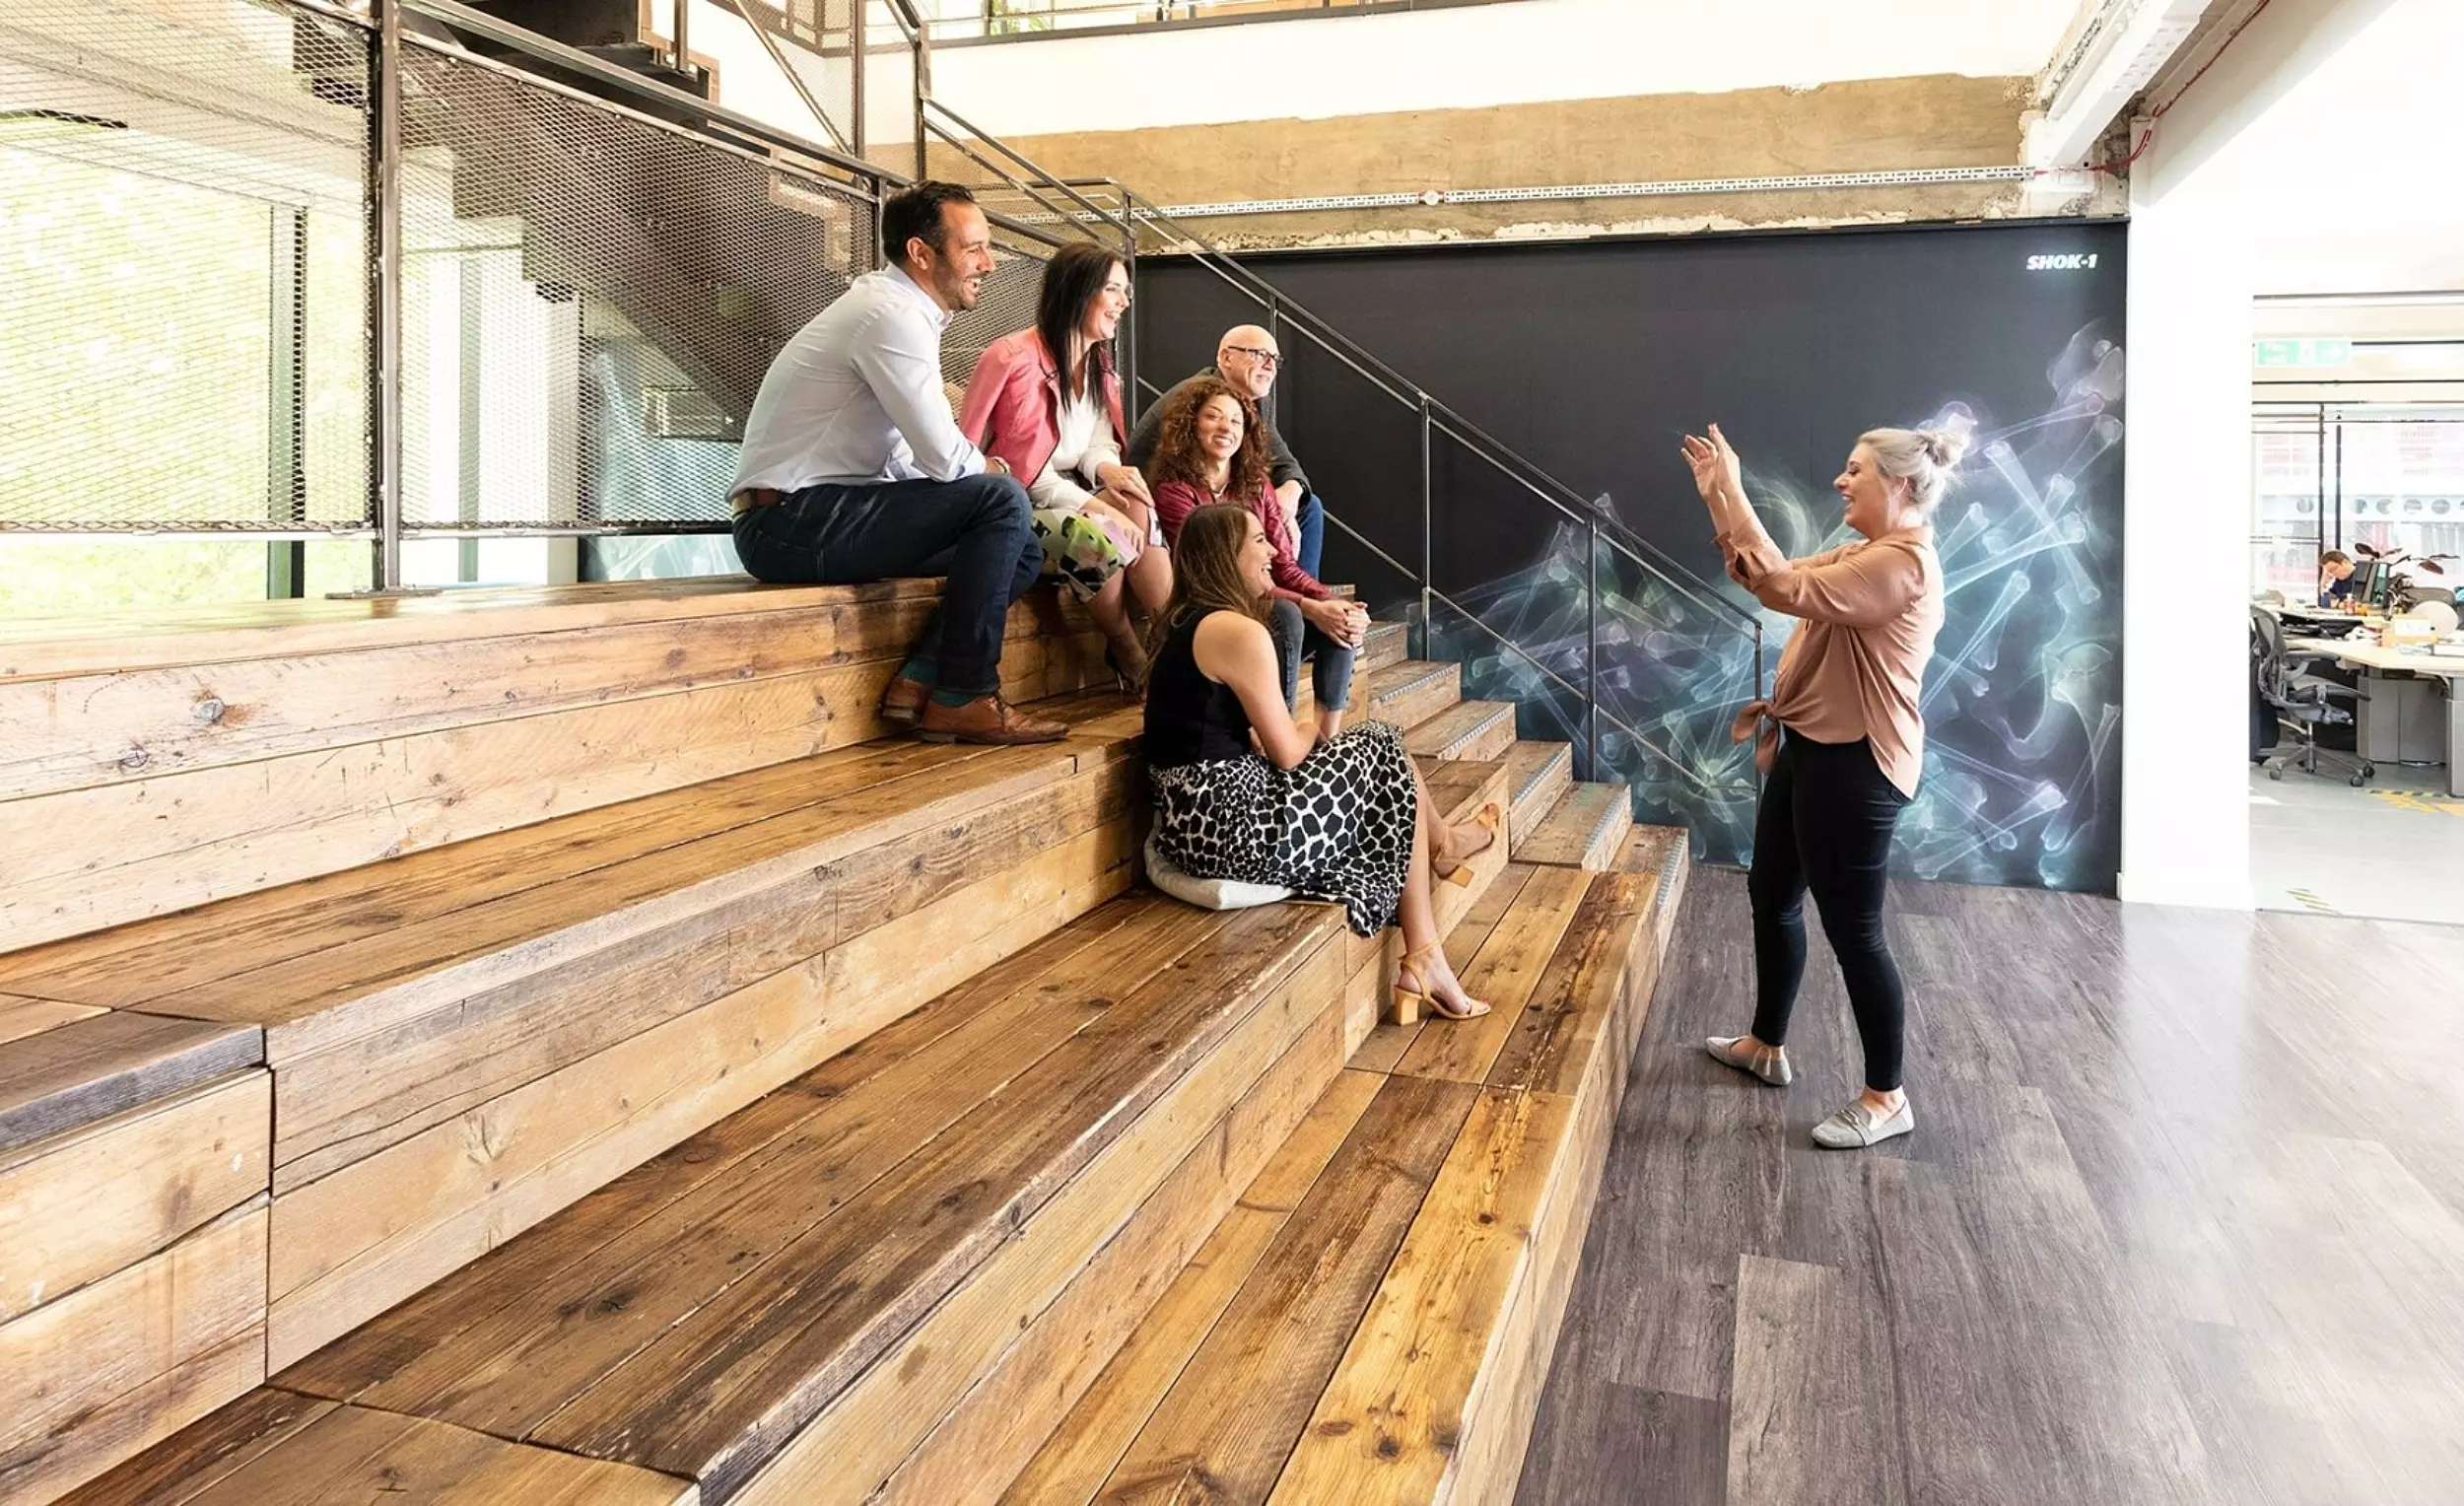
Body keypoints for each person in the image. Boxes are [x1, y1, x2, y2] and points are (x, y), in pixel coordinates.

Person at [1681, 421, 1958, 1150]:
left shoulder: (1901, 567)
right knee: (1771, 897)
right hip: (1811, 746)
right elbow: (1767, 570)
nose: (1842, 480)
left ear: (1898, 484)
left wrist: (1735, 489)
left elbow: (1782, 587)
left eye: (1855, 469)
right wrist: (1720, 500)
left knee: (1855, 933)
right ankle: (1766, 1045)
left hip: (1858, 763)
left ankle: (1886, 1096)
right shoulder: (1866, 553)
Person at [728, 180, 1062, 745]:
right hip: (786, 522)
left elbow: (912, 458)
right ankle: (967, 694)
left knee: (1022, 547)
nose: (989, 263)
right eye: (974, 248)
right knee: (1000, 499)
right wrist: (998, 474)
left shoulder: (901, 313)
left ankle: (924, 679)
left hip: (824, 511)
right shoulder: (888, 316)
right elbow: (943, 456)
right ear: (921, 252)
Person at [1142, 503, 1497, 1015]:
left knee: (1380, 758)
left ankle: (1429, 928)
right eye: (1259, 540)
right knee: (1381, 743)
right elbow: (1286, 752)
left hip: (1192, 822)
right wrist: (1311, 727)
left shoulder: (1182, 622)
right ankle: (1428, 938)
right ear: (1226, 554)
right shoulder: (1238, 631)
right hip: (1233, 831)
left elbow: (1223, 732)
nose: (1273, 551)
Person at [958, 242, 1172, 694]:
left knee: (1134, 500)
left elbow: (1095, 445)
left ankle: (1174, 639)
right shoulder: (1009, 357)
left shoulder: (1098, 366)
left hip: (1068, 493)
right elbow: (999, 463)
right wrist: (1096, 504)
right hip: (1010, 507)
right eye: (1113, 290)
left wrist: (1109, 472)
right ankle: (1126, 646)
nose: (1124, 303)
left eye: (1125, 292)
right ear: (1079, 291)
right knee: (1093, 538)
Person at [1148, 379, 1367, 744]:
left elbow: (1283, 565)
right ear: (1191, 424)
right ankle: (1274, 736)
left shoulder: (1256, 485)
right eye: (1213, 417)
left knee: (1340, 622)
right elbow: (1216, 575)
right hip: (1211, 611)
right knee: (1287, 614)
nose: (1226, 428)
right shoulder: (1174, 490)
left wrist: (1329, 602)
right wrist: (1309, 605)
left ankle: (1326, 743)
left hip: (1257, 602)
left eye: (1236, 421)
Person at [1128, 324, 1325, 579]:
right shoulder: (1194, 397)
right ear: (1225, 358)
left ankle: (1298, 595)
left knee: (1308, 507)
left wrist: (1292, 489)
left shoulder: (1256, 403)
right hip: (1175, 501)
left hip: (1223, 494)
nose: (1269, 365)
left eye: (1275, 359)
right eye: (1258, 354)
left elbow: (1283, 459)